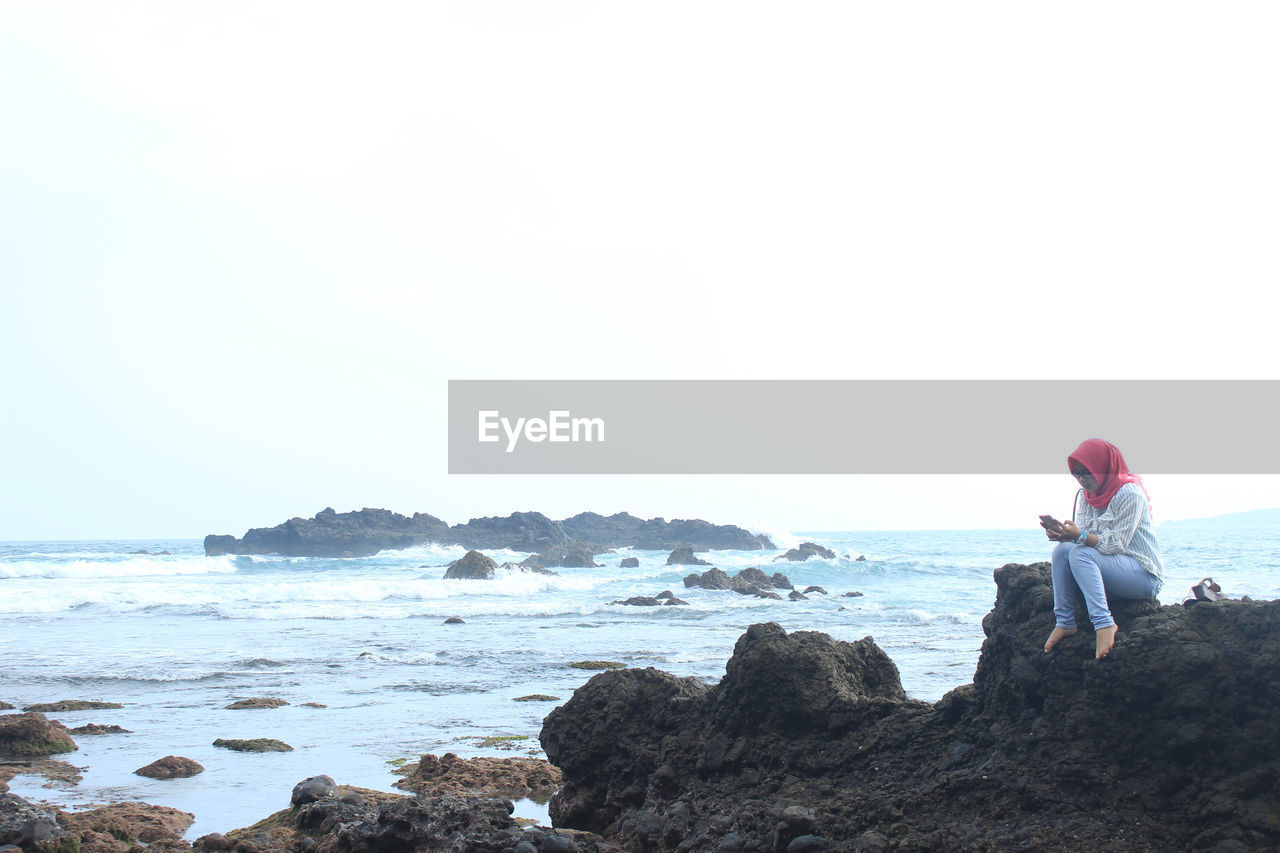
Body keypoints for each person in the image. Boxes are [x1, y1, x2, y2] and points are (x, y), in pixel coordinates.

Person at [1039, 439, 1164, 659]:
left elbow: (1115, 544)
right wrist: (1064, 536)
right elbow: (1084, 538)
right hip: (1111, 570)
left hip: (1143, 576)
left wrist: (1078, 537)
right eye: (1076, 473)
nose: (1081, 479)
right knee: (1062, 551)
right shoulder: (1085, 497)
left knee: (1080, 552)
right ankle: (1065, 621)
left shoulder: (1130, 494)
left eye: (1087, 472)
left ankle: (1104, 623)